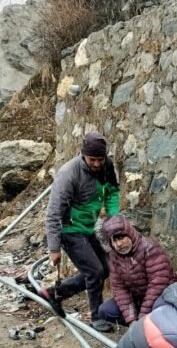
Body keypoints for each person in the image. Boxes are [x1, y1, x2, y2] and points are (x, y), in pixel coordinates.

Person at [41, 131, 119, 332]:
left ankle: (55, 294)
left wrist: (114, 219)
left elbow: (112, 192)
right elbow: (53, 214)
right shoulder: (68, 174)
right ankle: (96, 316)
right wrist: (54, 248)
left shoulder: (107, 165)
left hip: (88, 227)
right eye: (92, 160)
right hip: (69, 229)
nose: (96, 164)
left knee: (106, 268)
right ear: (83, 155)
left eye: (100, 160)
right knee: (95, 271)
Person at [94, 215, 176, 331]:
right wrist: (131, 319)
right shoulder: (114, 257)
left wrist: (142, 317)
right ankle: (143, 327)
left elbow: (157, 285)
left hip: (161, 297)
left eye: (121, 238)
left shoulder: (150, 248)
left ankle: (151, 327)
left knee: (162, 311)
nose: (119, 244)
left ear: (130, 234)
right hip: (138, 300)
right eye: (114, 241)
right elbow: (119, 289)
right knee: (105, 311)